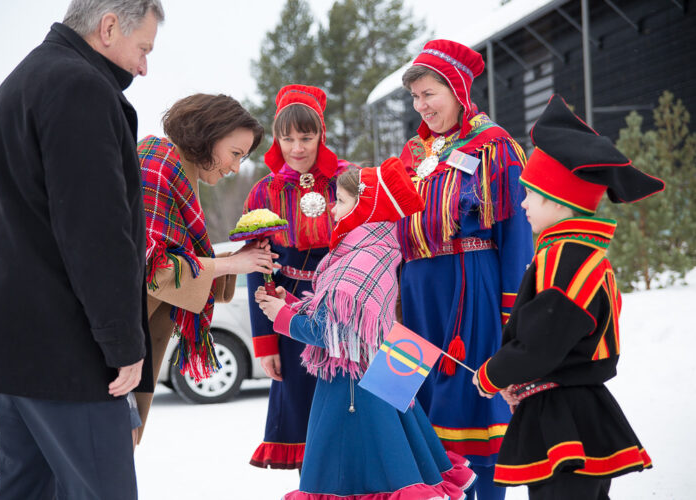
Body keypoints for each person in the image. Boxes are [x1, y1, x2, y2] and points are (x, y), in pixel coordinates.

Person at [0, 1, 164, 498]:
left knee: (26, 490)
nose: (144, 66)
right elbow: (95, 229)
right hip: (68, 354)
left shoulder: (25, 78)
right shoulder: (80, 88)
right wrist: (123, 342)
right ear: (109, 26)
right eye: (143, 49)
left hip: (14, 349)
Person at [473, 94, 663, 500]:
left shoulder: (567, 257)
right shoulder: (572, 253)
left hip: (564, 416)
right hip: (574, 408)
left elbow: (545, 339)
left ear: (559, 200)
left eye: (530, 194)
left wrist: (493, 374)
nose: (522, 203)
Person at [256, 158, 476, 499]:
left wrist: (280, 317)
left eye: (342, 200)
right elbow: (340, 315)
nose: (332, 207)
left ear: (367, 207)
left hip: (352, 385)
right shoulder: (374, 247)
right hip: (378, 371)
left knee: (355, 476)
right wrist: (291, 305)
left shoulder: (359, 259)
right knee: (393, 461)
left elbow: (330, 333)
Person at [396, 39, 534, 499]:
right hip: (414, 297)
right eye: (415, 97)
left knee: (475, 414)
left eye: (429, 93)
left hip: (468, 293)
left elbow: (516, 234)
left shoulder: (495, 146)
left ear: (457, 89)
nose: (422, 105)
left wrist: (513, 315)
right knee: (408, 411)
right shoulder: (412, 154)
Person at [133, 93, 272, 441]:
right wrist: (233, 264)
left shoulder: (175, 170)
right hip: (115, 347)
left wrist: (235, 262)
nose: (236, 167)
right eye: (235, 153)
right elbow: (153, 269)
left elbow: (173, 262)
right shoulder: (158, 167)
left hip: (133, 342)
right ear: (207, 134)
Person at [245, 84, 354, 470]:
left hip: (345, 310)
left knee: (349, 413)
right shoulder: (264, 192)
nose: (297, 148)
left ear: (321, 134)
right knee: (302, 417)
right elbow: (257, 269)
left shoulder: (350, 182)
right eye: (287, 138)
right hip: (289, 314)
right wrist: (265, 341)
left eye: (306, 137)